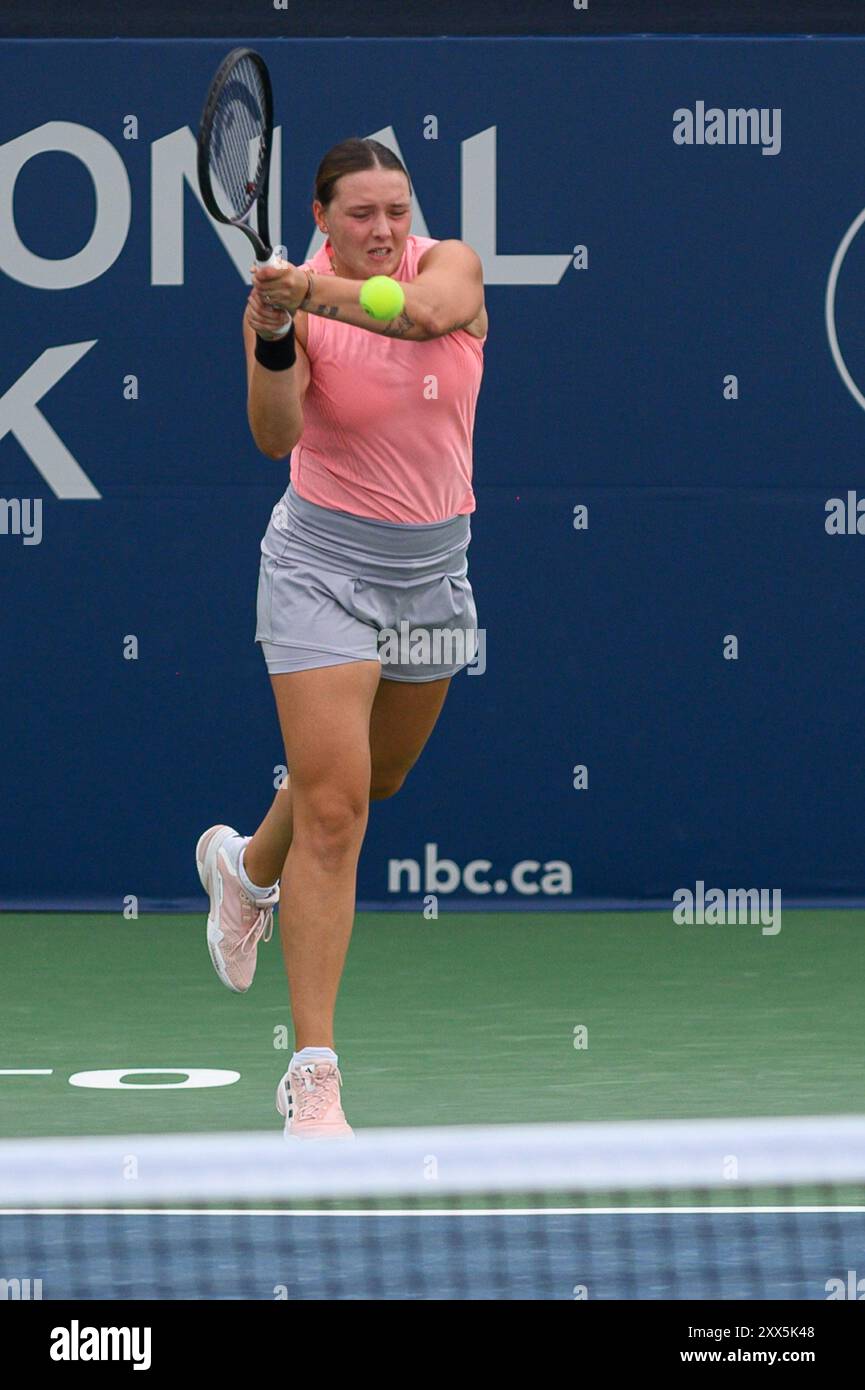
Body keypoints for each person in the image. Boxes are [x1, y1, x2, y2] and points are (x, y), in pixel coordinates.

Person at [196, 138, 488, 1138]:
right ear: (322, 216)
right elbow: (275, 436)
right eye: (360, 214)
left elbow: (427, 318)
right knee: (336, 808)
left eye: (396, 211)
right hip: (320, 566)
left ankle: (246, 870)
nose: (384, 231)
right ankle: (312, 1076)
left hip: (432, 574)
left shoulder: (451, 267)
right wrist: (276, 332)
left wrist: (307, 293)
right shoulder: (289, 304)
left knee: (379, 779)